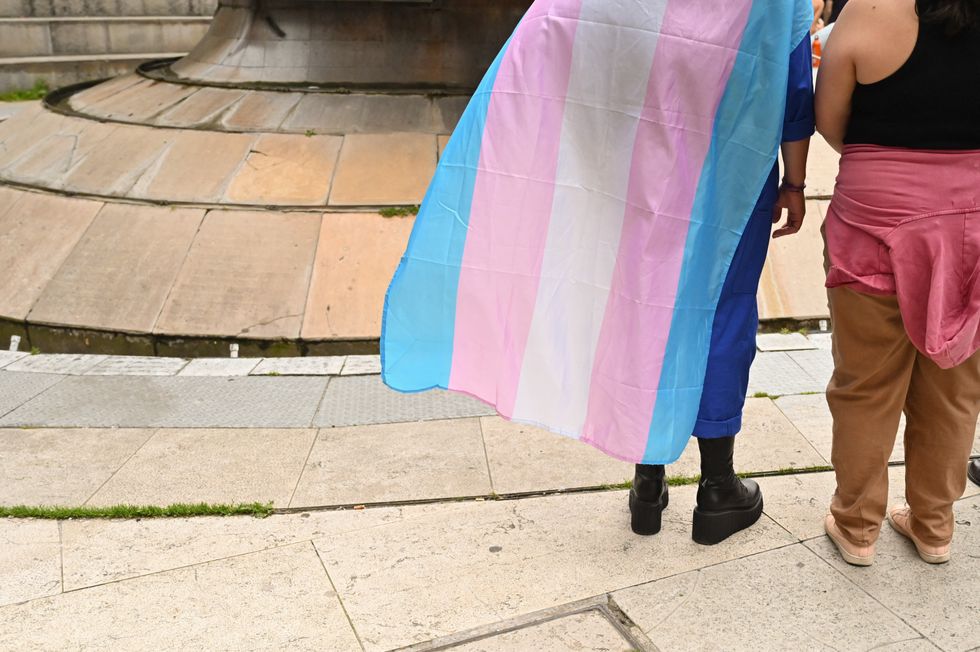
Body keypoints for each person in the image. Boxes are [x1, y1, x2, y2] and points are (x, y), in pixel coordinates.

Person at [382, 0, 815, 546]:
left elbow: (564, 31)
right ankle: (717, 488)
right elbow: (794, 90)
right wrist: (795, 182)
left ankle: (647, 484)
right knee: (720, 313)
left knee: (638, 300)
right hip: (730, 170)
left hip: (633, 165)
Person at [816, 0, 980, 566]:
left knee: (865, 382)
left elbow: (831, 121)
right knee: (956, 386)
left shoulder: (870, 9)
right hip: (974, 221)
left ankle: (857, 525)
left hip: (876, 216)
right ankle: (934, 527)